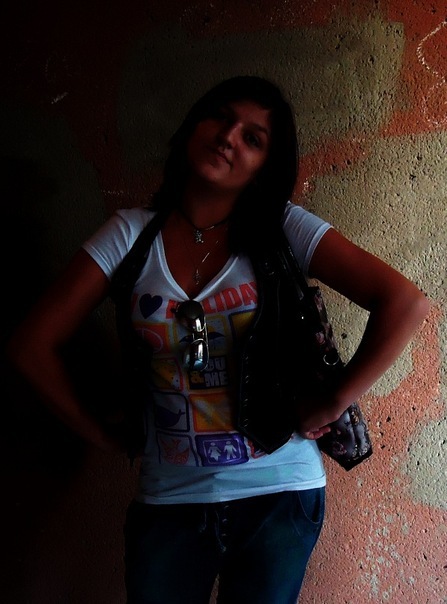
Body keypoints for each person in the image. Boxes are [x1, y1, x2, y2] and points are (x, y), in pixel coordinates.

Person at [7, 75, 429, 604]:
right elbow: (30, 346)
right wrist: (97, 433)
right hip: (168, 501)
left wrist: (334, 401)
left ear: (265, 166)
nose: (229, 137)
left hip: (279, 495)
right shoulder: (129, 235)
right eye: (221, 118)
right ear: (193, 126)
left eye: (253, 138)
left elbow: (405, 303)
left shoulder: (284, 229)